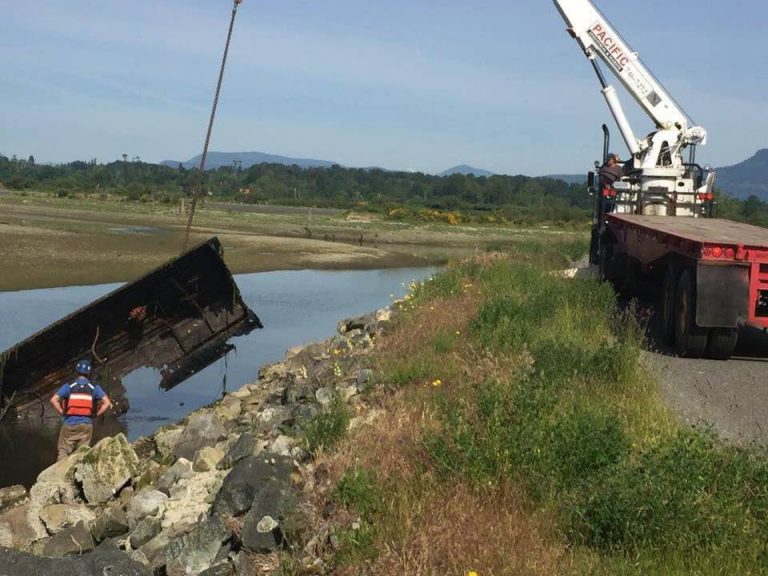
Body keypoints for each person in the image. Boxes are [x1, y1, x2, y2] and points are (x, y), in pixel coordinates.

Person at [50, 359, 112, 461]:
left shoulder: (68, 387)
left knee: (63, 451)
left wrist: (62, 413)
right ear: (89, 373)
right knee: (82, 454)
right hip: (86, 425)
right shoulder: (94, 388)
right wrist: (96, 414)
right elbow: (107, 403)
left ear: (77, 371)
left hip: (69, 423)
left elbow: (54, 400)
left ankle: (60, 473)